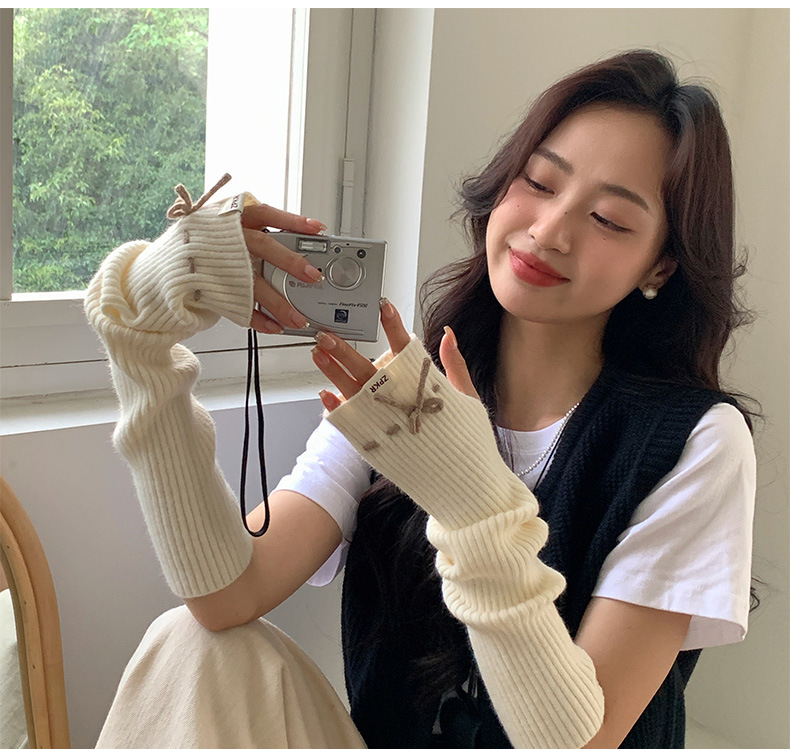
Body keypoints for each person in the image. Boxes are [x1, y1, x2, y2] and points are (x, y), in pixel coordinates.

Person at [86, 49, 757, 749]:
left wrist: (473, 507)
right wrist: (141, 342)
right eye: (539, 181)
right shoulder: (406, 395)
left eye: (610, 220)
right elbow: (227, 593)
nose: (550, 230)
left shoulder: (696, 443)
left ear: (661, 265)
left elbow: (582, 741)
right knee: (194, 643)